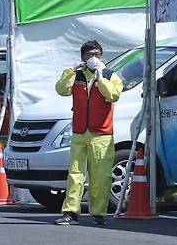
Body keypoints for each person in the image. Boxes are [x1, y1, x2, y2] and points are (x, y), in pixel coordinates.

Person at [54, 41, 123, 226]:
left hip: (101, 133)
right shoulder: (76, 75)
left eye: (97, 54)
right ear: (83, 57)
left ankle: (99, 213)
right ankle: (70, 212)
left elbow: (113, 95)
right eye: (90, 54)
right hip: (79, 131)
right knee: (75, 174)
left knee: (100, 175)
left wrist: (101, 78)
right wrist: (70, 70)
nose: (94, 58)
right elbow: (61, 90)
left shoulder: (110, 74)